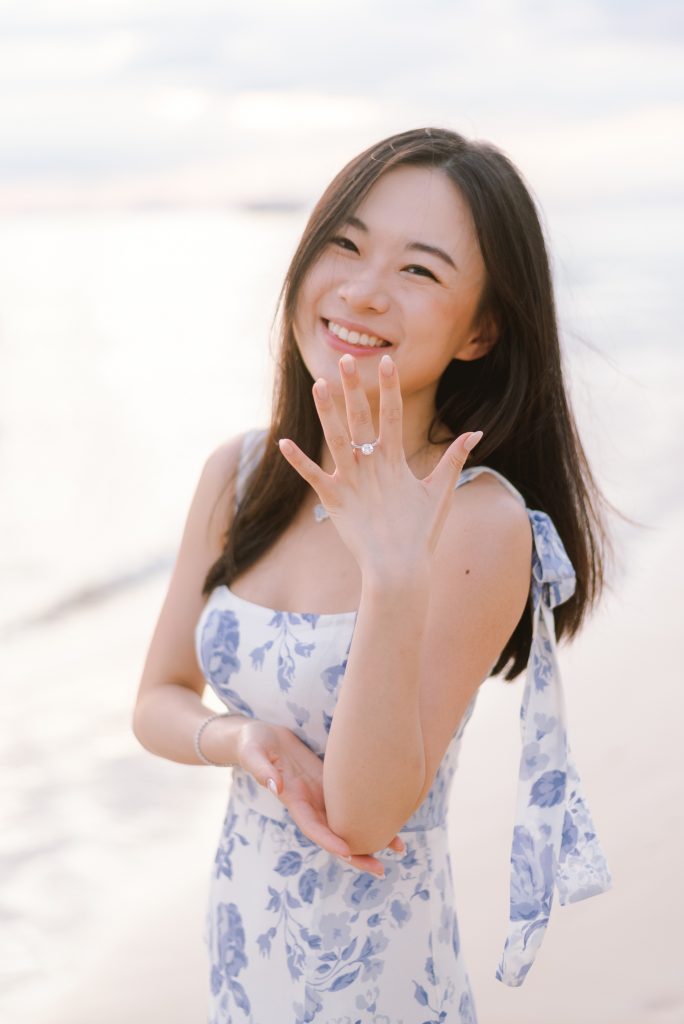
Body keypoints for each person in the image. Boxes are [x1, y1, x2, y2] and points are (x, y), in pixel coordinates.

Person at [132, 127, 612, 1023]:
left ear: (481, 330)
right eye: (346, 244)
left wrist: (392, 574)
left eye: (419, 271)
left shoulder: (479, 520)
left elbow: (362, 817)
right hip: (243, 960)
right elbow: (158, 697)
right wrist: (239, 740)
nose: (361, 290)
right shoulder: (238, 475)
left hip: (378, 988)